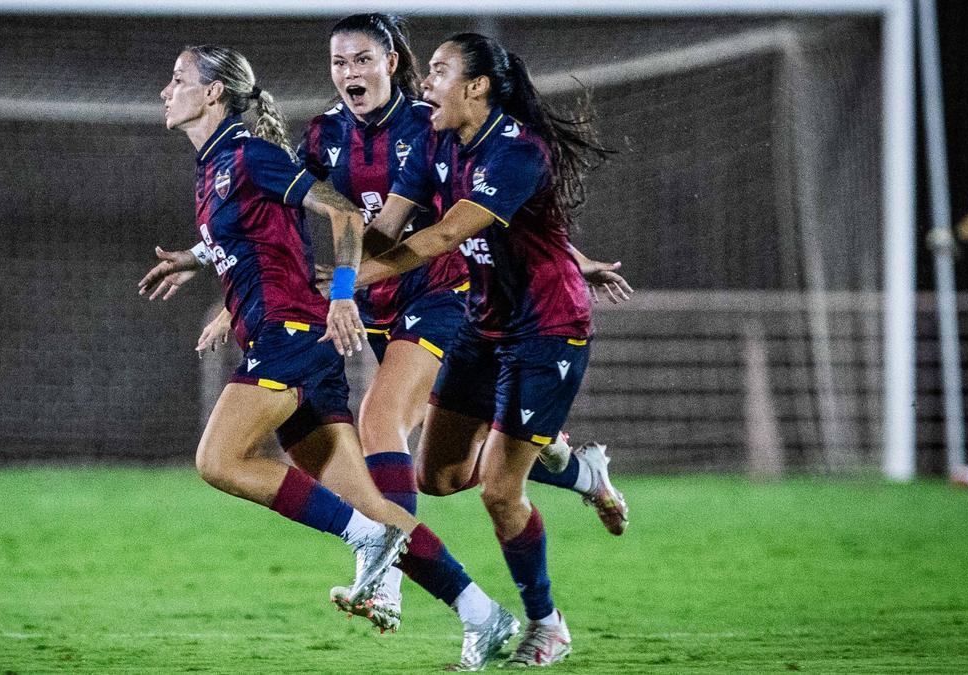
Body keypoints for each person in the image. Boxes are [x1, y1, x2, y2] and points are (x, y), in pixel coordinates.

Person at [195, 14, 634, 637]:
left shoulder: (448, 132)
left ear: (391, 63)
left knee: (388, 424)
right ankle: (571, 467)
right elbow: (284, 215)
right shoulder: (332, 135)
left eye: (363, 60)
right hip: (402, 309)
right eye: (339, 62)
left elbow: (472, 225)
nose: (351, 73)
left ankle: (397, 581)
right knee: (440, 475)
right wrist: (260, 289)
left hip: (448, 297)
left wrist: (576, 260)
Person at [138, 44, 518, 671]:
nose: (164, 91)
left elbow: (340, 211)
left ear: (212, 94)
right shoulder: (214, 166)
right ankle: (484, 615)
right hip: (288, 341)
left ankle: (367, 540)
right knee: (374, 504)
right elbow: (257, 233)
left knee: (218, 459)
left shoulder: (247, 152)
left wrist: (343, 291)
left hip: (290, 336)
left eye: (176, 79)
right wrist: (196, 257)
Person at [351, 33, 625, 667]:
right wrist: (332, 264)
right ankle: (578, 471)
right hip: (485, 322)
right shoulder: (436, 141)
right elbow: (386, 229)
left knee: (500, 491)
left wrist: (349, 282)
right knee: (435, 477)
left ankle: (545, 622)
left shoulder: (519, 151)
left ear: (476, 87)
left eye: (440, 72)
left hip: (548, 329)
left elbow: (447, 233)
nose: (426, 83)